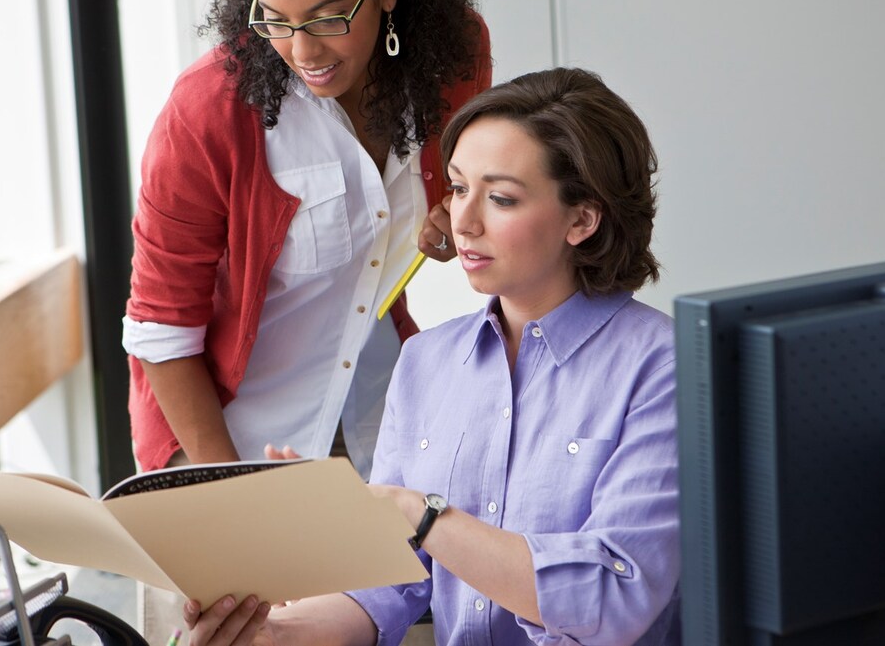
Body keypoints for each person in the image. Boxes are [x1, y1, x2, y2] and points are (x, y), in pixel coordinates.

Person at [184, 67, 681, 645]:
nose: (462, 222)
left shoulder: (663, 368)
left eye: (499, 198)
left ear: (582, 219)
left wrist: (419, 514)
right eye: (458, 187)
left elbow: (615, 597)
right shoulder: (425, 363)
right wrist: (270, 635)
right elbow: (387, 586)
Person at [122, 0, 491, 479]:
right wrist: (227, 492)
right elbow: (161, 331)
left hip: (375, 419)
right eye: (275, 19)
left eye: (327, 16)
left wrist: (451, 210)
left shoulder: (451, 58)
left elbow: (471, 179)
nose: (302, 49)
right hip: (226, 439)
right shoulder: (208, 110)